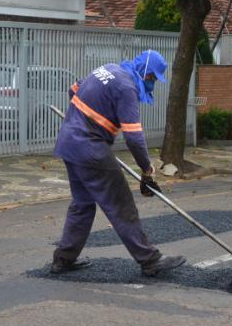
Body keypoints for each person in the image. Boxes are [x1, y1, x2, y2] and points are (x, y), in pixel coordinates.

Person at [51, 50, 186, 276]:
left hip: (69, 143)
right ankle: (149, 260)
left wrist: (85, 118)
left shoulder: (109, 69)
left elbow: (73, 90)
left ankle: (63, 260)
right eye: (152, 78)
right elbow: (133, 137)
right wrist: (147, 169)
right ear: (144, 71)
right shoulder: (127, 88)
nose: (152, 82)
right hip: (90, 149)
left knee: (82, 204)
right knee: (121, 204)